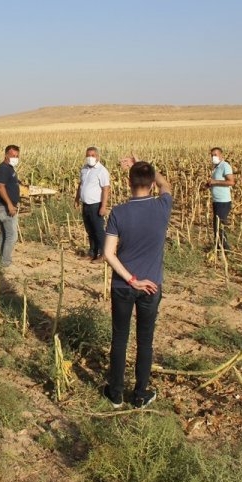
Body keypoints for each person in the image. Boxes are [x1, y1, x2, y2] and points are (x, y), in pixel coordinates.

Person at [102, 158, 172, 409]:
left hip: (123, 286)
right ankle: (140, 393)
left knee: (120, 338)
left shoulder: (119, 212)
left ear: (128, 183)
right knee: (145, 341)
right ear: (152, 184)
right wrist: (147, 164)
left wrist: (131, 279)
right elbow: (167, 184)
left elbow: (109, 253)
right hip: (152, 287)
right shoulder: (163, 206)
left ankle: (116, 393)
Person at [75, 146, 111, 262]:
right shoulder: (84, 169)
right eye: (88, 155)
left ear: (97, 156)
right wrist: (77, 199)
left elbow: (106, 189)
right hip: (85, 204)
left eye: (92, 155)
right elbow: (81, 185)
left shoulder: (102, 171)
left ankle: (103, 254)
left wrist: (103, 206)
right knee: (90, 230)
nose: (90, 158)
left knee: (98, 230)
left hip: (96, 205)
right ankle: (92, 253)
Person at [0, 145, 21, 268]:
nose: (15, 158)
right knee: (12, 236)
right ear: (6, 155)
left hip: (3, 206)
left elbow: (9, 183)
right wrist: (10, 205)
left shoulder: (10, 168)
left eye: (17, 156)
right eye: (13, 156)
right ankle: (5, 263)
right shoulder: (4, 168)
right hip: (4, 207)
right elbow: (0, 186)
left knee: (4, 234)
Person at [204, 147, 235, 251]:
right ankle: (218, 247)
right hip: (216, 201)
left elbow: (231, 182)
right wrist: (209, 184)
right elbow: (216, 181)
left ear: (221, 155)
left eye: (215, 155)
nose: (213, 157)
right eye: (212, 155)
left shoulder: (225, 166)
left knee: (220, 226)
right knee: (216, 226)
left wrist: (215, 182)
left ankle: (225, 250)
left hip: (223, 202)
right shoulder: (216, 168)